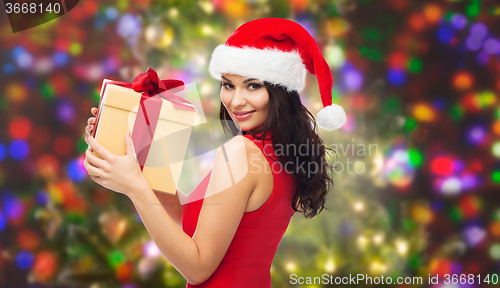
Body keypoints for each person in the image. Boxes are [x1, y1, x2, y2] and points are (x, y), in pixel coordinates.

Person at [83, 18, 346, 287]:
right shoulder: (281, 150)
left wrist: (135, 187)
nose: (236, 101)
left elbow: (197, 269)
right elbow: (199, 221)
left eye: (253, 86)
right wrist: (135, 161)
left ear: (279, 91)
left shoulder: (243, 152)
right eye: (228, 85)